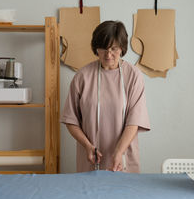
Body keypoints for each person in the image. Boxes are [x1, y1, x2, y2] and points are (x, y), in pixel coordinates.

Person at [61, 20, 150, 173]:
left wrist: (118, 152)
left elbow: (134, 121)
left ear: (122, 48)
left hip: (123, 159)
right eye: (103, 48)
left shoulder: (133, 75)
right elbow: (71, 120)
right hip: (90, 158)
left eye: (114, 48)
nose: (108, 54)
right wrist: (88, 146)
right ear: (96, 48)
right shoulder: (82, 76)